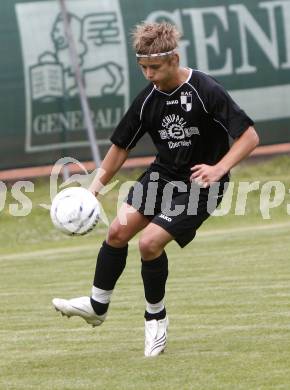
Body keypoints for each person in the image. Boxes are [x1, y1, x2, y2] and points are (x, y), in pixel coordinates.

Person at [52, 22, 259, 357]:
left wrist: (220, 168)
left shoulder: (205, 90)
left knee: (148, 243)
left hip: (201, 183)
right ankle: (97, 306)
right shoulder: (147, 100)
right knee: (118, 231)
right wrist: (93, 190)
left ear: (174, 59)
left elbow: (249, 135)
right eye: (143, 67)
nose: (148, 74)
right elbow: (121, 147)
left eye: (155, 67)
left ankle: (155, 319)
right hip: (163, 175)